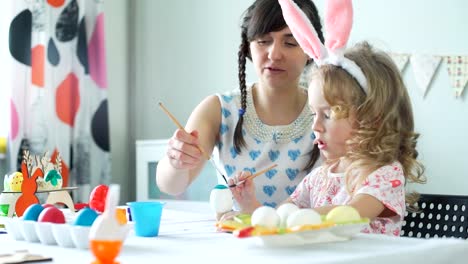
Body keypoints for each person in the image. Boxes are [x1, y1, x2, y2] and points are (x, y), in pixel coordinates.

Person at [228, 0, 426, 236]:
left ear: (372, 117)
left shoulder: (384, 175)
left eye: (329, 114)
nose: (315, 126)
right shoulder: (320, 176)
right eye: (314, 113)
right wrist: (253, 207)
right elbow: (281, 219)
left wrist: (297, 217)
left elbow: (350, 215)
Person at [156, 0, 324, 208]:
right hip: (240, 237)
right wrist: (176, 161)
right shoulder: (218, 110)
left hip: (311, 236)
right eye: (264, 41)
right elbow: (171, 185)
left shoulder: (328, 112)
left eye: (290, 43)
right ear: (248, 46)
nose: (274, 54)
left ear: (311, 48)